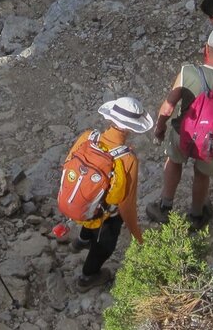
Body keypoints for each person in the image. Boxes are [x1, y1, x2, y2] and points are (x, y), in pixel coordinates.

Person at [146, 29, 213, 230]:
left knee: (174, 161)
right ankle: (196, 215)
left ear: (207, 49)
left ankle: (165, 207)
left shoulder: (188, 72)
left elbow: (167, 108)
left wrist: (160, 128)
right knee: (202, 174)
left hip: (182, 133)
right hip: (212, 141)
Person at [62, 97, 152, 291]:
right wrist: (137, 234)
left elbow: (68, 164)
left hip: (83, 203)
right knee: (104, 246)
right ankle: (87, 277)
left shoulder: (88, 137)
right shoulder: (127, 159)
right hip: (105, 217)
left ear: (111, 118)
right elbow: (126, 204)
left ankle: (81, 241)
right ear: (131, 128)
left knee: (92, 201)